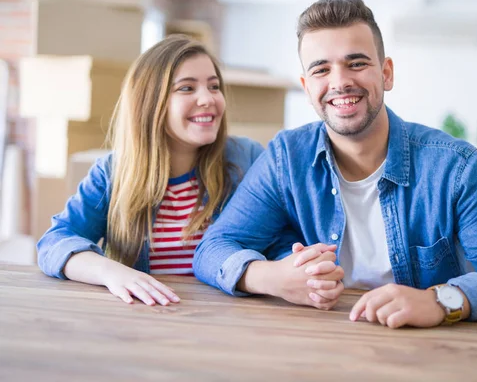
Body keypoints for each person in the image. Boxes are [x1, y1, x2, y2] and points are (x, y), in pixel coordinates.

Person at [194, 0, 477, 328]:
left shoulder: (453, 168)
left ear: (386, 73)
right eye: (321, 69)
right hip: (319, 342)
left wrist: (439, 301)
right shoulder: (286, 159)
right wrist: (274, 278)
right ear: (306, 87)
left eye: (357, 63)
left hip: (427, 350)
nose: (340, 82)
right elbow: (213, 248)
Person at [37, 34, 340, 306]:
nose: (207, 99)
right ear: (150, 103)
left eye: (214, 86)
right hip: (147, 320)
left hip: (233, 322)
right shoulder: (113, 173)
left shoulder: (246, 158)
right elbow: (54, 243)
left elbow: (279, 240)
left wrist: (299, 267)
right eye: (186, 88)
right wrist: (110, 271)